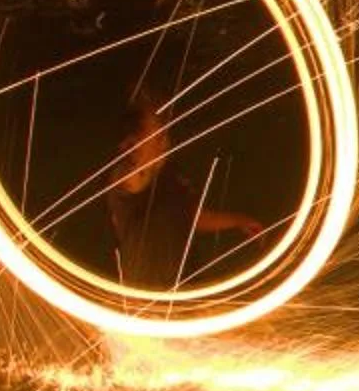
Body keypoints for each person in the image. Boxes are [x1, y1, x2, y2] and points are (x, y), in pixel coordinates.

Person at [105, 87, 266, 290]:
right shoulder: (124, 175)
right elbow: (133, 183)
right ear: (132, 142)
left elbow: (189, 216)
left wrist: (236, 220)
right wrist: (147, 158)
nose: (163, 139)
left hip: (184, 288)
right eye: (156, 133)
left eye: (163, 131)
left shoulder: (171, 174)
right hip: (148, 297)